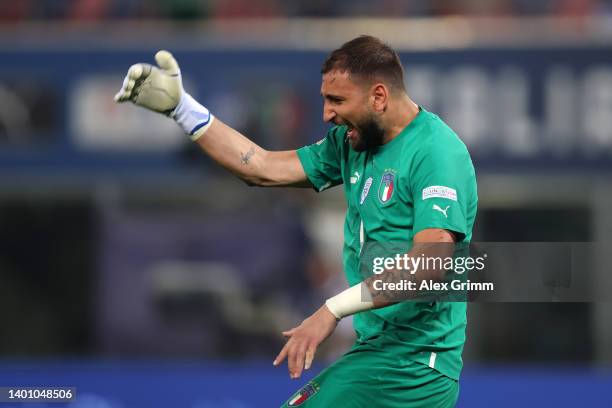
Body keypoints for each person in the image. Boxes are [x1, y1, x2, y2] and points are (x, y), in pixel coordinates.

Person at [115, 35, 478, 408]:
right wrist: (182, 109)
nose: (327, 115)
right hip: (380, 356)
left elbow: (429, 264)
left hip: (413, 365)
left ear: (379, 97)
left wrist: (331, 310)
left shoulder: (436, 152)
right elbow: (261, 167)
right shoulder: (352, 144)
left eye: (337, 100)